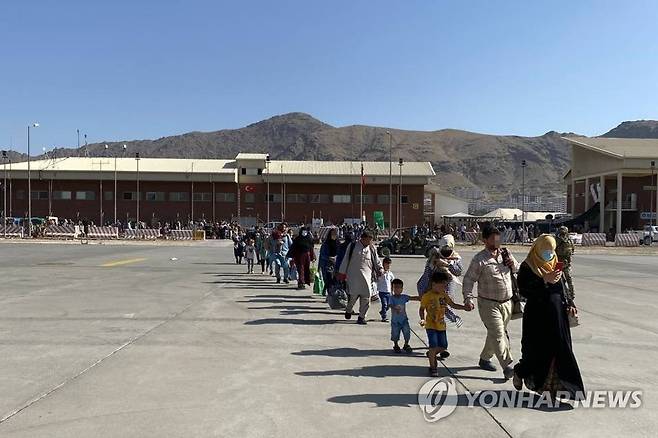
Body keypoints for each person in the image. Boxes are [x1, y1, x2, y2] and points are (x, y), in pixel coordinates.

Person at [512, 235, 584, 399]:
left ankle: (556, 389)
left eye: (551, 251)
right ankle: (520, 371)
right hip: (537, 317)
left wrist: (570, 304)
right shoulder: (527, 266)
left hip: (557, 315)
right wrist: (544, 280)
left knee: (559, 350)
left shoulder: (555, 263)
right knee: (535, 352)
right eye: (545, 251)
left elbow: (562, 289)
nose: (549, 254)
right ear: (537, 249)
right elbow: (523, 290)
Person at [462, 225, 519, 380]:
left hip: (507, 303)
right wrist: (468, 298)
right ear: (485, 240)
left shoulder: (505, 254)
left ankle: (485, 358)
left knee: (494, 334)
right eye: (492, 238)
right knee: (499, 333)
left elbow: (517, 269)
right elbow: (468, 280)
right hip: (488, 304)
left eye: (497, 237)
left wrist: (512, 264)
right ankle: (507, 366)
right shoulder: (479, 259)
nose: (496, 241)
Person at [420, 271, 469, 377]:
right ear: (434, 284)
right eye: (442, 284)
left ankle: (431, 355)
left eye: (445, 284)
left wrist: (464, 307)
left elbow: (453, 305)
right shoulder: (427, 296)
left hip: (441, 325)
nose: (445, 286)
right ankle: (433, 367)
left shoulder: (444, 294)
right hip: (431, 325)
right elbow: (422, 309)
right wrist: (422, 319)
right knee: (433, 346)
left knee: (443, 346)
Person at [338, 230, 383, 325]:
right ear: (362, 238)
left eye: (371, 240)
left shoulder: (372, 248)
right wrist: (342, 273)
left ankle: (361, 317)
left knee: (366, 297)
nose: (369, 242)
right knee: (353, 297)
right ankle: (349, 309)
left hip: (367, 277)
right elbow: (346, 259)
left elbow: (377, 260)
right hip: (353, 277)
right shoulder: (353, 246)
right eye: (368, 240)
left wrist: (380, 269)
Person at [388, 278, 420, 353]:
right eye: (395, 288)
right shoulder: (391, 298)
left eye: (399, 288)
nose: (397, 289)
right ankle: (396, 345)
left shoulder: (403, 297)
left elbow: (411, 298)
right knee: (395, 334)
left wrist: (420, 298)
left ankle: (406, 344)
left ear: (402, 289)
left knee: (407, 332)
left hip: (404, 320)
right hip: (395, 321)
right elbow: (390, 305)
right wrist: (394, 307)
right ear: (392, 288)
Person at [555, 226, 575, 301]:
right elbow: (572, 251)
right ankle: (570, 294)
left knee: (558, 278)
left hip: (560, 262)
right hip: (565, 262)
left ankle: (566, 293)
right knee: (568, 279)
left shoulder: (557, 240)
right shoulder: (569, 240)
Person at [318, 228, 339, 293]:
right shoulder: (325, 244)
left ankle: (330, 292)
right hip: (326, 264)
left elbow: (340, 254)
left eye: (335, 234)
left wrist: (336, 258)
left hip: (335, 264)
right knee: (327, 279)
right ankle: (329, 293)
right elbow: (322, 255)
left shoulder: (338, 243)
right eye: (332, 234)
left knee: (334, 280)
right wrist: (329, 258)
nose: (333, 235)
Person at [377, 257, 395, 322]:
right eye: (387, 264)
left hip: (388, 292)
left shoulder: (390, 273)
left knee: (388, 306)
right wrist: (381, 273)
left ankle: (382, 312)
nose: (388, 266)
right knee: (384, 304)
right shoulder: (381, 273)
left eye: (389, 265)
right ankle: (384, 317)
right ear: (383, 264)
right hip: (382, 292)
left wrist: (392, 291)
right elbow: (376, 278)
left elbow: (392, 282)